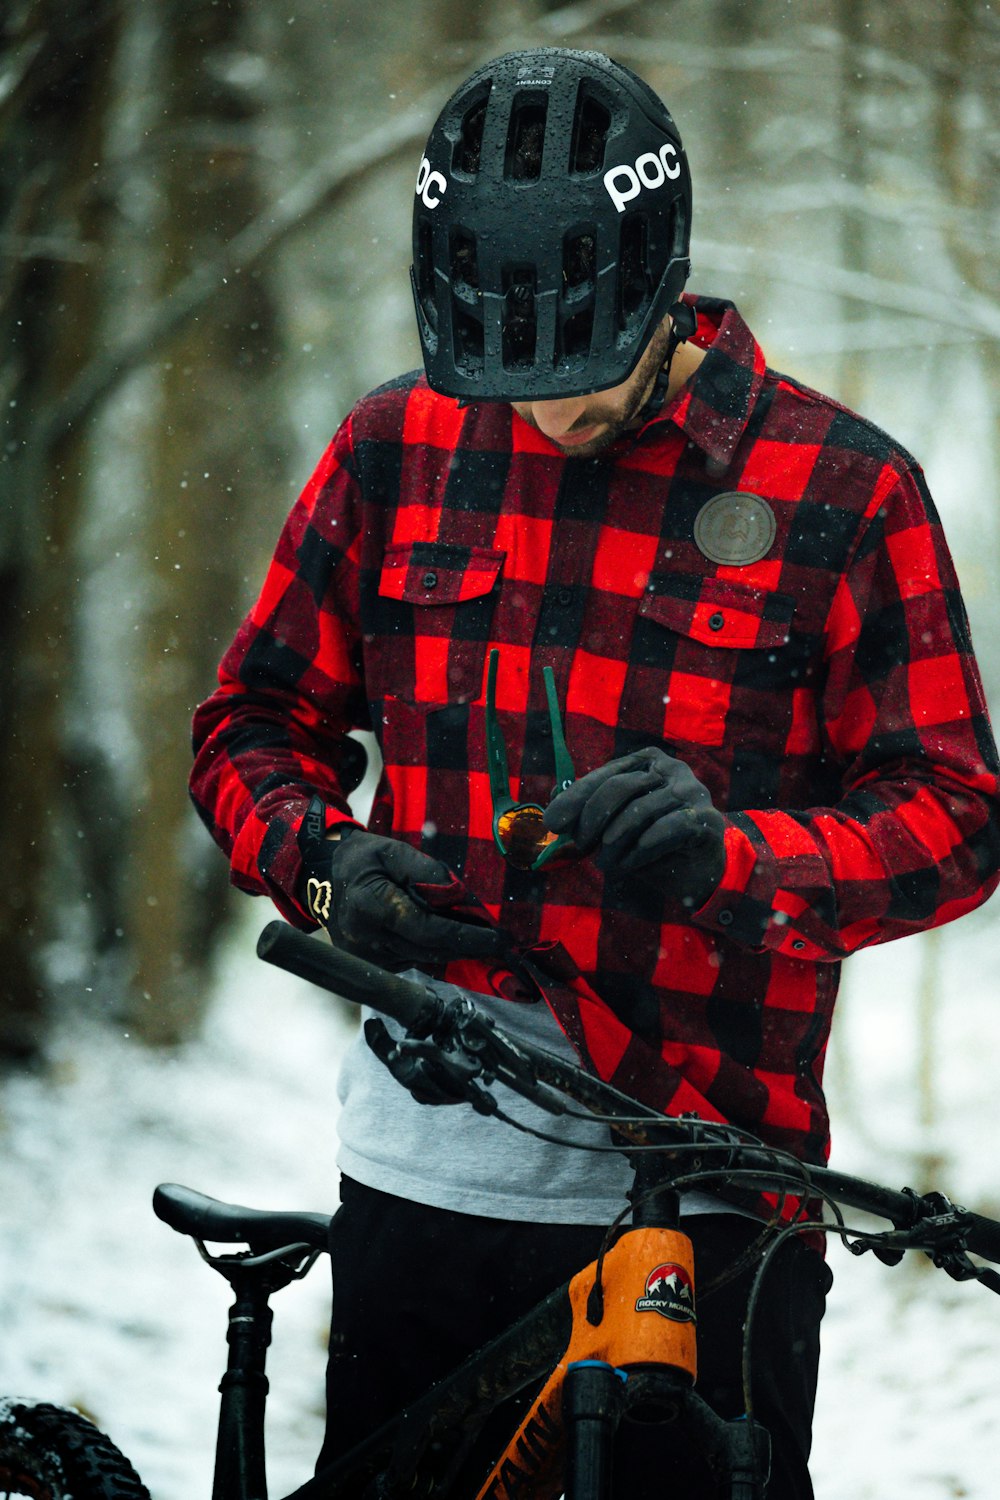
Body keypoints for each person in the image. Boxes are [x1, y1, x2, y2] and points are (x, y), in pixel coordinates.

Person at [189, 47, 1000, 1499]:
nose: (542, 412)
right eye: (503, 374)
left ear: (658, 284)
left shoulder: (843, 489)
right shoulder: (396, 448)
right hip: (421, 1181)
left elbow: (954, 819)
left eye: (578, 370)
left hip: (714, 1193)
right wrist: (325, 861)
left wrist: (735, 863)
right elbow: (252, 722)